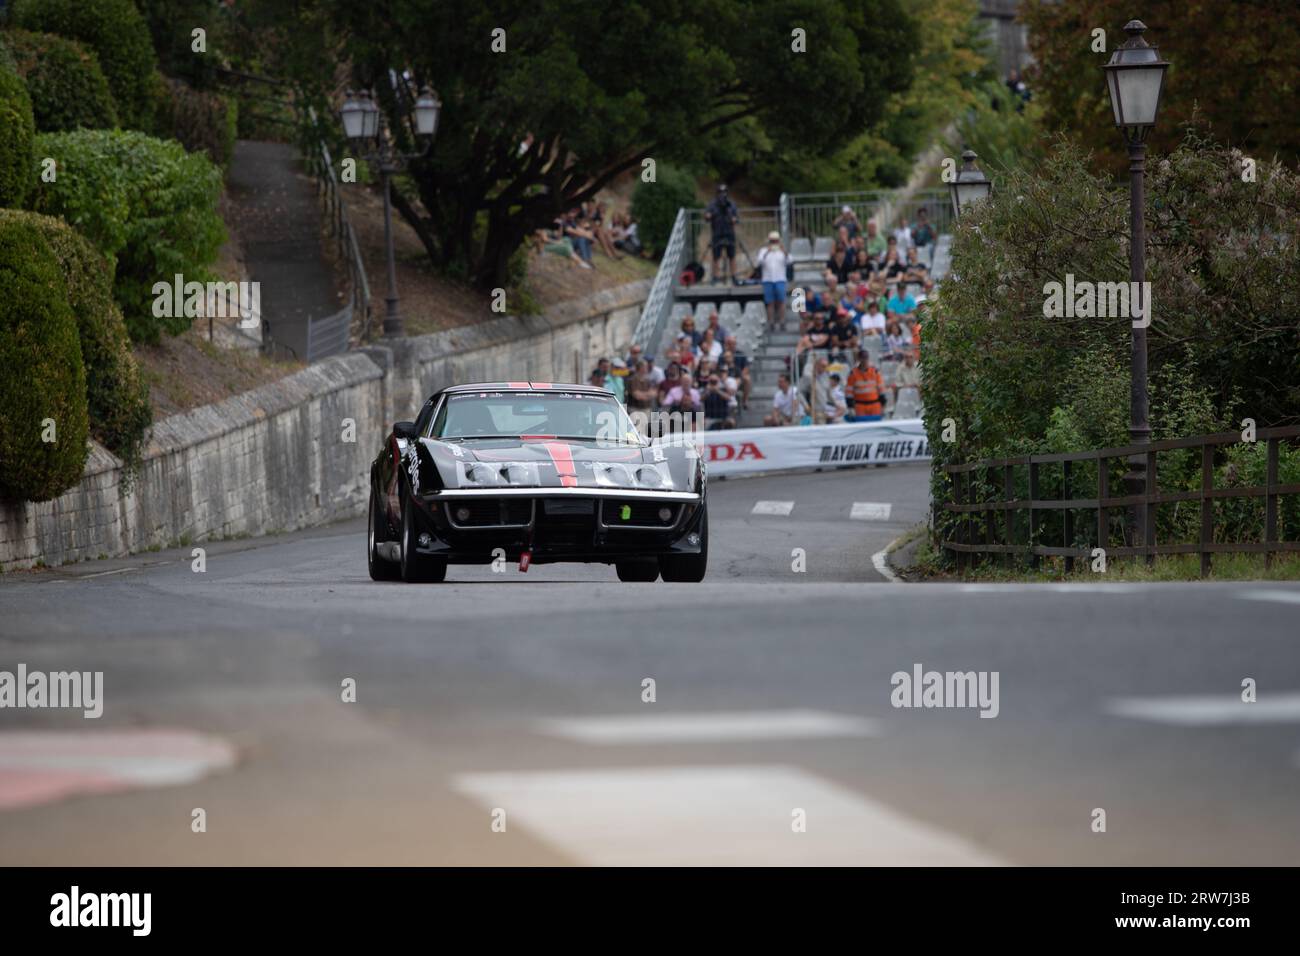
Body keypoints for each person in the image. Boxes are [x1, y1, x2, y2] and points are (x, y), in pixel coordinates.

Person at [704, 184, 739, 285]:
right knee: (716, 256)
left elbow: (737, 218)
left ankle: (734, 277)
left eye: (724, 192)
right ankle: (715, 276)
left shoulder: (731, 204)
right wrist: (709, 215)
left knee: (731, 256)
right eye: (720, 192)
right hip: (717, 232)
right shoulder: (713, 204)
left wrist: (734, 219)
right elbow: (706, 216)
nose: (722, 195)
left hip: (729, 232)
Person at [755, 231, 792, 327]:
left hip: (780, 279)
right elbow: (759, 262)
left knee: (781, 301)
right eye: (772, 241)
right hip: (768, 280)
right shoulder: (763, 251)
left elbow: (790, 261)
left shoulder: (782, 251)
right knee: (769, 302)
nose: (774, 243)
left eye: (775, 241)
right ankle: (771, 321)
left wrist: (784, 251)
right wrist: (767, 251)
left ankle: (782, 321)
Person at [846, 350, 885, 421]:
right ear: (859, 359)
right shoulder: (853, 374)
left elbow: (881, 390)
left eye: (866, 358)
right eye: (863, 358)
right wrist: (850, 407)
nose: (865, 360)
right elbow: (849, 393)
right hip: (860, 406)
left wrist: (883, 406)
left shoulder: (875, 372)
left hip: (875, 405)